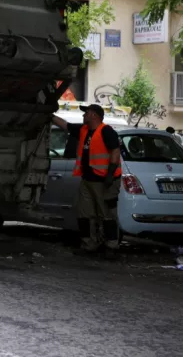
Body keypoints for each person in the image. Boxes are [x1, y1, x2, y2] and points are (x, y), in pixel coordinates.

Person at [52, 104, 122, 259]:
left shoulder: (106, 131)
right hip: (88, 179)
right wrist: (48, 114)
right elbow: (65, 125)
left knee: (107, 215)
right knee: (84, 214)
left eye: (86, 113)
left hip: (105, 181)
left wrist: (110, 175)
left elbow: (115, 152)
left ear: (94, 115)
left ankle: (110, 246)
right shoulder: (84, 130)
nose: (83, 115)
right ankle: (89, 244)